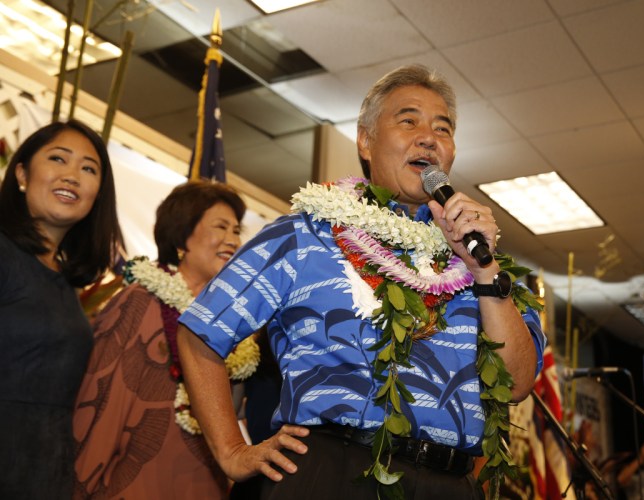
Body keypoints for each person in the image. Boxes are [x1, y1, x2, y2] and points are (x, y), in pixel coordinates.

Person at [177, 64, 546, 499]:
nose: (428, 136)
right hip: (334, 474)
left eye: (442, 128)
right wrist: (231, 450)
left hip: (451, 484)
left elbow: (517, 384)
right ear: (366, 141)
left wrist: (484, 273)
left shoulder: (479, 260)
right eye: (408, 120)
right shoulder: (305, 233)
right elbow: (200, 333)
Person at [73, 181, 260, 499]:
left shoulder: (236, 324)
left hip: (203, 479)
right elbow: (101, 402)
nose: (233, 240)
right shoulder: (141, 300)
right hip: (131, 478)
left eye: (236, 230)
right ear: (183, 235)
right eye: (221, 227)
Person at [0, 120, 123, 499]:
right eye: (58, 159)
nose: (73, 176)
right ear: (22, 173)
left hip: (45, 470)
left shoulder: (66, 282)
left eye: (88, 169)